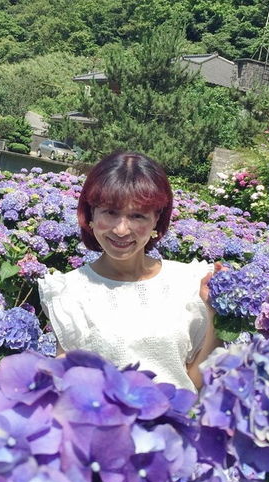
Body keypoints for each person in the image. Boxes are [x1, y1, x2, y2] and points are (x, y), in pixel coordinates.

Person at [37, 151, 221, 392]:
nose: (122, 230)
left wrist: (215, 314)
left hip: (173, 426)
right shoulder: (68, 292)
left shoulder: (189, 283)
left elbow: (194, 382)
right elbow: (68, 388)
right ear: (91, 214)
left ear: (157, 219)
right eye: (110, 212)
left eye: (137, 216)